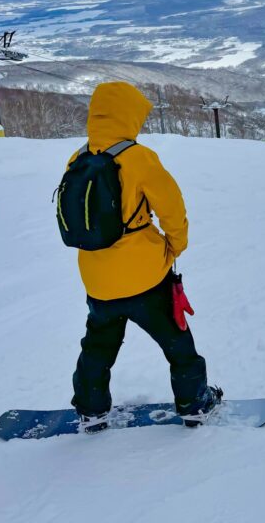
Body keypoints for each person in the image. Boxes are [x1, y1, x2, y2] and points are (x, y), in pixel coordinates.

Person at [66, 82, 221, 432]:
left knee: (97, 347)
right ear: (129, 115)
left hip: (97, 279)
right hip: (146, 276)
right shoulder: (138, 157)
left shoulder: (78, 158)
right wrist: (175, 245)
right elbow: (171, 208)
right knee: (177, 342)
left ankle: (91, 409)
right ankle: (194, 402)